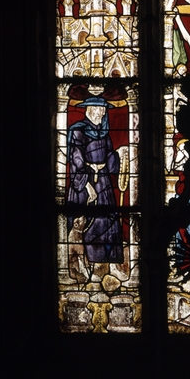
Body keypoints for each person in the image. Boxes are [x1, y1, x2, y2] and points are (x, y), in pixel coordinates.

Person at [67, 96, 125, 276]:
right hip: (86, 184)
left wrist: (119, 155)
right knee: (90, 224)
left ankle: (110, 265)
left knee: (109, 221)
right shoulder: (78, 131)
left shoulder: (104, 133)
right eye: (99, 109)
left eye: (103, 109)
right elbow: (76, 161)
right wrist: (87, 186)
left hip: (103, 182)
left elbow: (110, 157)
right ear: (89, 109)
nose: (102, 113)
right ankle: (91, 268)